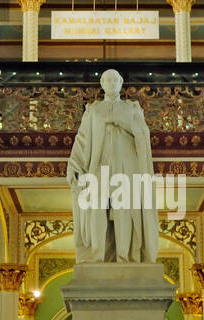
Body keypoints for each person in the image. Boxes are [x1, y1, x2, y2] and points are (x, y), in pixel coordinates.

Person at [66, 68, 159, 263]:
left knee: (124, 209)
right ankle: (97, 256)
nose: (112, 83)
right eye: (108, 80)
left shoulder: (132, 109)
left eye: (116, 80)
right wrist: (74, 165)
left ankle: (124, 257)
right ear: (102, 84)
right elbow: (82, 139)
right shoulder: (93, 110)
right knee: (97, 207)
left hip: (126, 166)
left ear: (121, 82)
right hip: (99, 165)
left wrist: (121, 121)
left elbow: (143, 135)